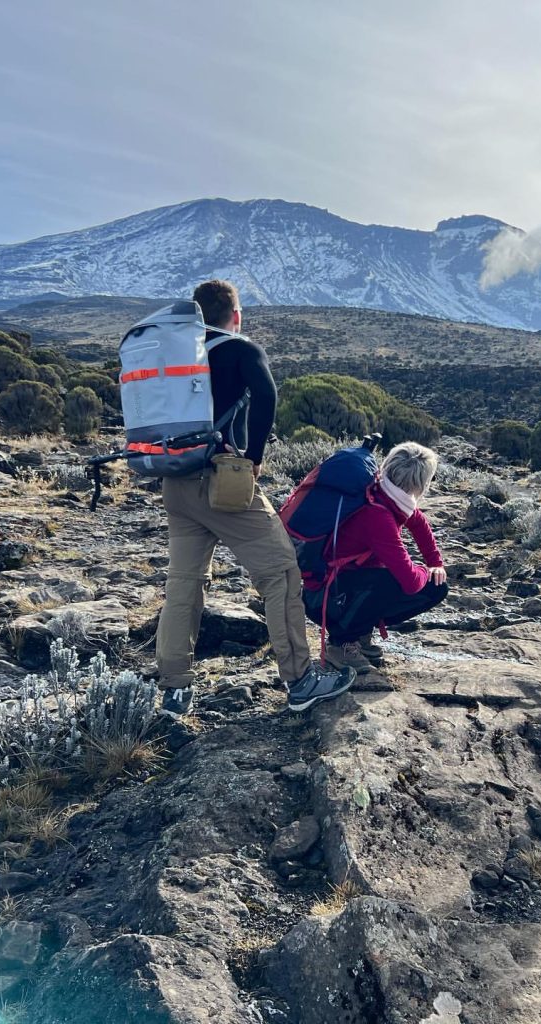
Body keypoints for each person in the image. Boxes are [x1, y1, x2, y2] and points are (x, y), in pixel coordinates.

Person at [154, 279, 355, 716]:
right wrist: (255, 457)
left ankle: (174, 689)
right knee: (281, 571)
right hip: (223, 481)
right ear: (235, 315)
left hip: (175, 482)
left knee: (184, 584)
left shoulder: (172, 353)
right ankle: (301, 680)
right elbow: (266, 395)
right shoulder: (241, 349)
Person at [303, 442, 449, 674]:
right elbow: (411, 582)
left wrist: (435, 563)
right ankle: (341, 644)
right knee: (394, 580)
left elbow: (418, 522)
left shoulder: (382, 491)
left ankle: (359, 633)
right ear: (421, 483)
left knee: (429, 584)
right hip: (324, 598)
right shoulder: (377, 515)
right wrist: (425, 570)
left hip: (335, 589)